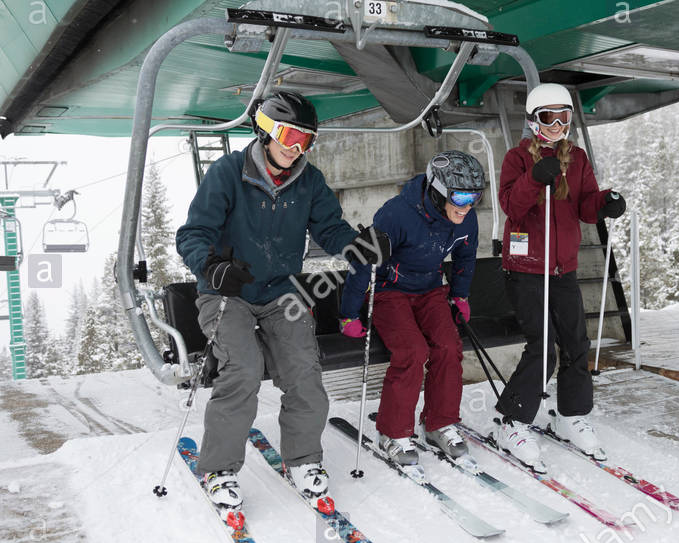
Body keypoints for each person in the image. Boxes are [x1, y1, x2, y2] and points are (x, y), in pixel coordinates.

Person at [176, 91, 389, 507]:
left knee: (304, 370)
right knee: (244, 368)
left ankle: (305, 457)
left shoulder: (309, 181)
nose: (296, 149)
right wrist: (212, 266)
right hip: (228, 291)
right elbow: (192, 235)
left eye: (306, 141)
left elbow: (330, 229)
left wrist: (357, 247)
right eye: (290, 136)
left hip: (282, 294)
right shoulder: (228, 172)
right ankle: (219, 468)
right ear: (266, 130)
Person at [494, 83, 626, 468]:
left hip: (562, 268)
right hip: (525, 270)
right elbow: (512, 208)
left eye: (563, 116)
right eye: (548, 117)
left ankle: (571, 415)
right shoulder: (517, 158)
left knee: (576, 342)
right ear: (534, 120)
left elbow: (585, 208)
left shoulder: (578, 158)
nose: (556, 124)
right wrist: (536, 176)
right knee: (543, 346)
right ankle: (513, 421)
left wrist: (605, 203)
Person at [338, 151, 483, 466]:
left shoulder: (465, 217)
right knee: (413, 352)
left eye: (474, 196)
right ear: (438, 190)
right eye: (460, 197)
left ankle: (439, 423)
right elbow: (364, 262)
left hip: (430, 290)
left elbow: (465, 258)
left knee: (447, 347)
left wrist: (460, 296)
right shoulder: (397, 214)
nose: (467, 205)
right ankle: (393, 432)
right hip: (391, 292)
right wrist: (348, 312)